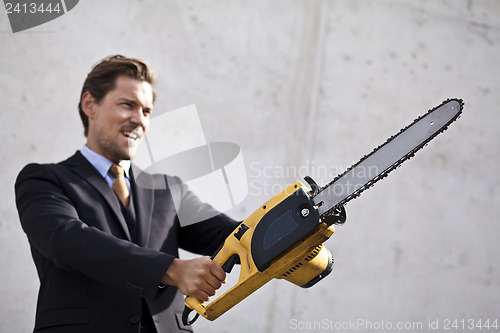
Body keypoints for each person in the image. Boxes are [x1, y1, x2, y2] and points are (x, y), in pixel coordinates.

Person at [15, 55, 239, 333]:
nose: (139, 120)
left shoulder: (169, 189)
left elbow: (236, 236)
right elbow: (68, 241)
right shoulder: (44, 180)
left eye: (146, 111)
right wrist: (172, 269)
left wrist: (297, 222)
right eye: (127, 105)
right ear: (90, 104)